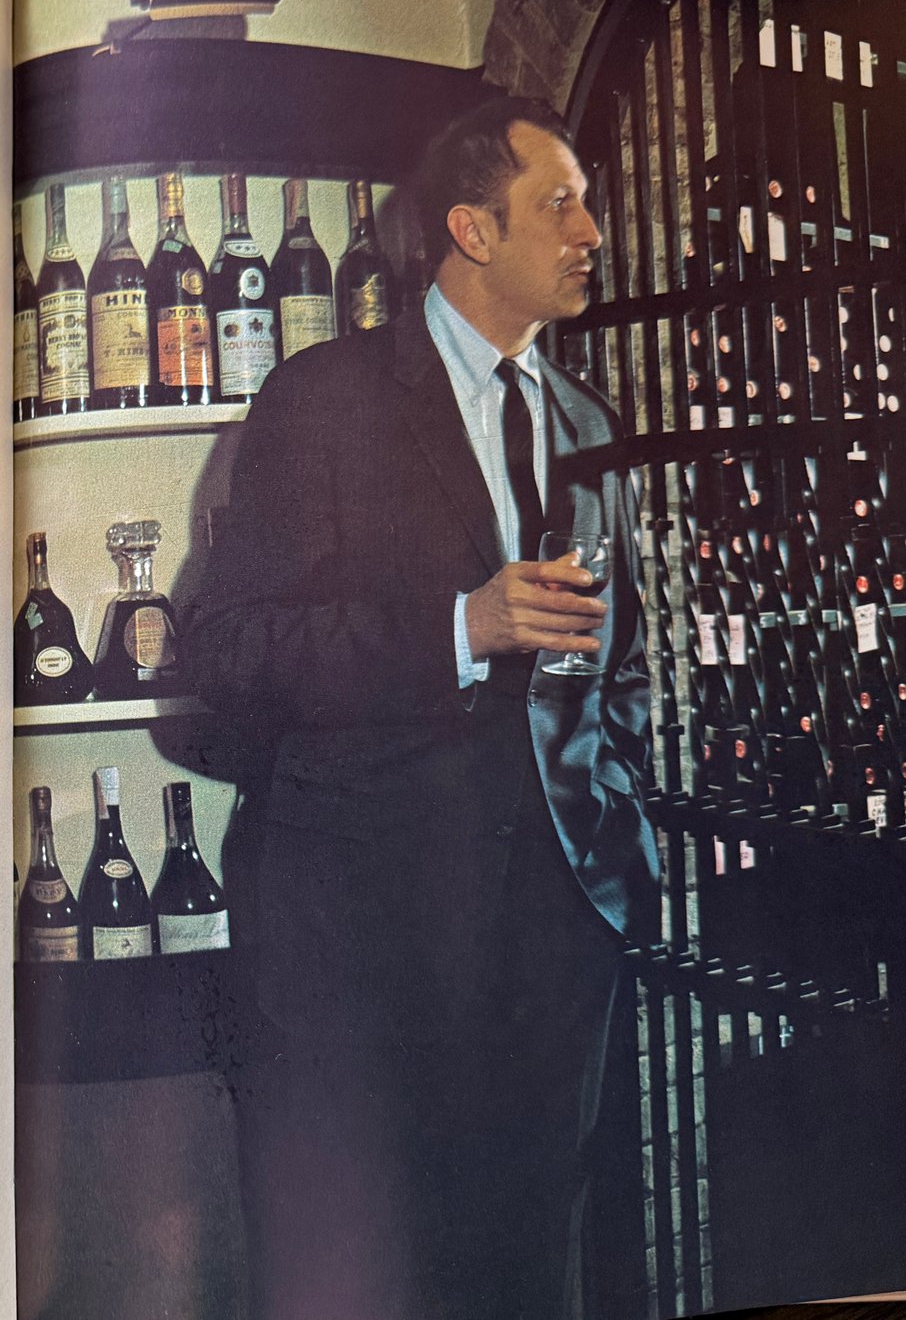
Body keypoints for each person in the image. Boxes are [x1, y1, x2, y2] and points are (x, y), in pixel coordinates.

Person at [181, 95, 662, 1320]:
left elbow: (615, 663)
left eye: (589, 202)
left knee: (529, 1265)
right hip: (367, 947)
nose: (590, 229)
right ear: (470, 228)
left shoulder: (589, 423)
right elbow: (227, 649)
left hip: (553, 933)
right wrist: (465, 626)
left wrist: (613, 823)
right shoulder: (323, 399)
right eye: (559, 202)